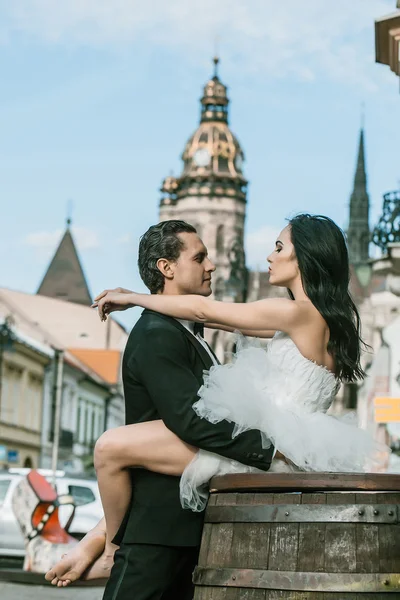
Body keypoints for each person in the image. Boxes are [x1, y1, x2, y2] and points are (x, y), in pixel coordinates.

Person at [45, 219, 275, 597]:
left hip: (187, 526)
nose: (211, 266)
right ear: (166, 268)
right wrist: (269, 449)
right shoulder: (156, 334)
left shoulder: (187, 332)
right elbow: (189, 420)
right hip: (154, 534)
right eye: (199, 257)